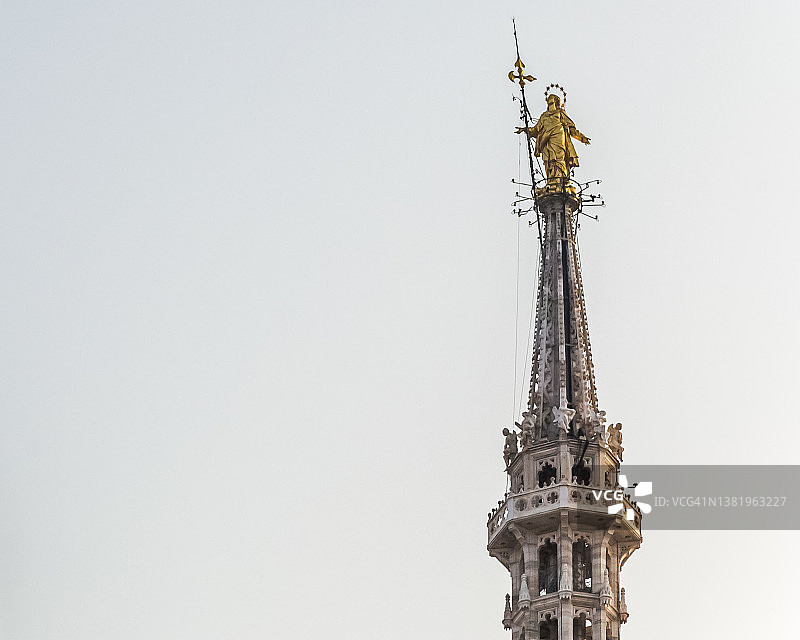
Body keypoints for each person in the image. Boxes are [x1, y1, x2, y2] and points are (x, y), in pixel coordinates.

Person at [517, 93, 590, 193]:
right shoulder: (544, 116)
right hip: (546, 141)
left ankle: (561, 182)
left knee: (559, 159)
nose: (550, 100)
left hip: (558, 138)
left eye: (552, 99)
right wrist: (525, 129)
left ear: (556, 101)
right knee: (549, 161)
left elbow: (571, 128)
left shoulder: (560, 112)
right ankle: (551, 183)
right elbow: (536, 129)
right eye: (549, 99)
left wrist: (581, 137)